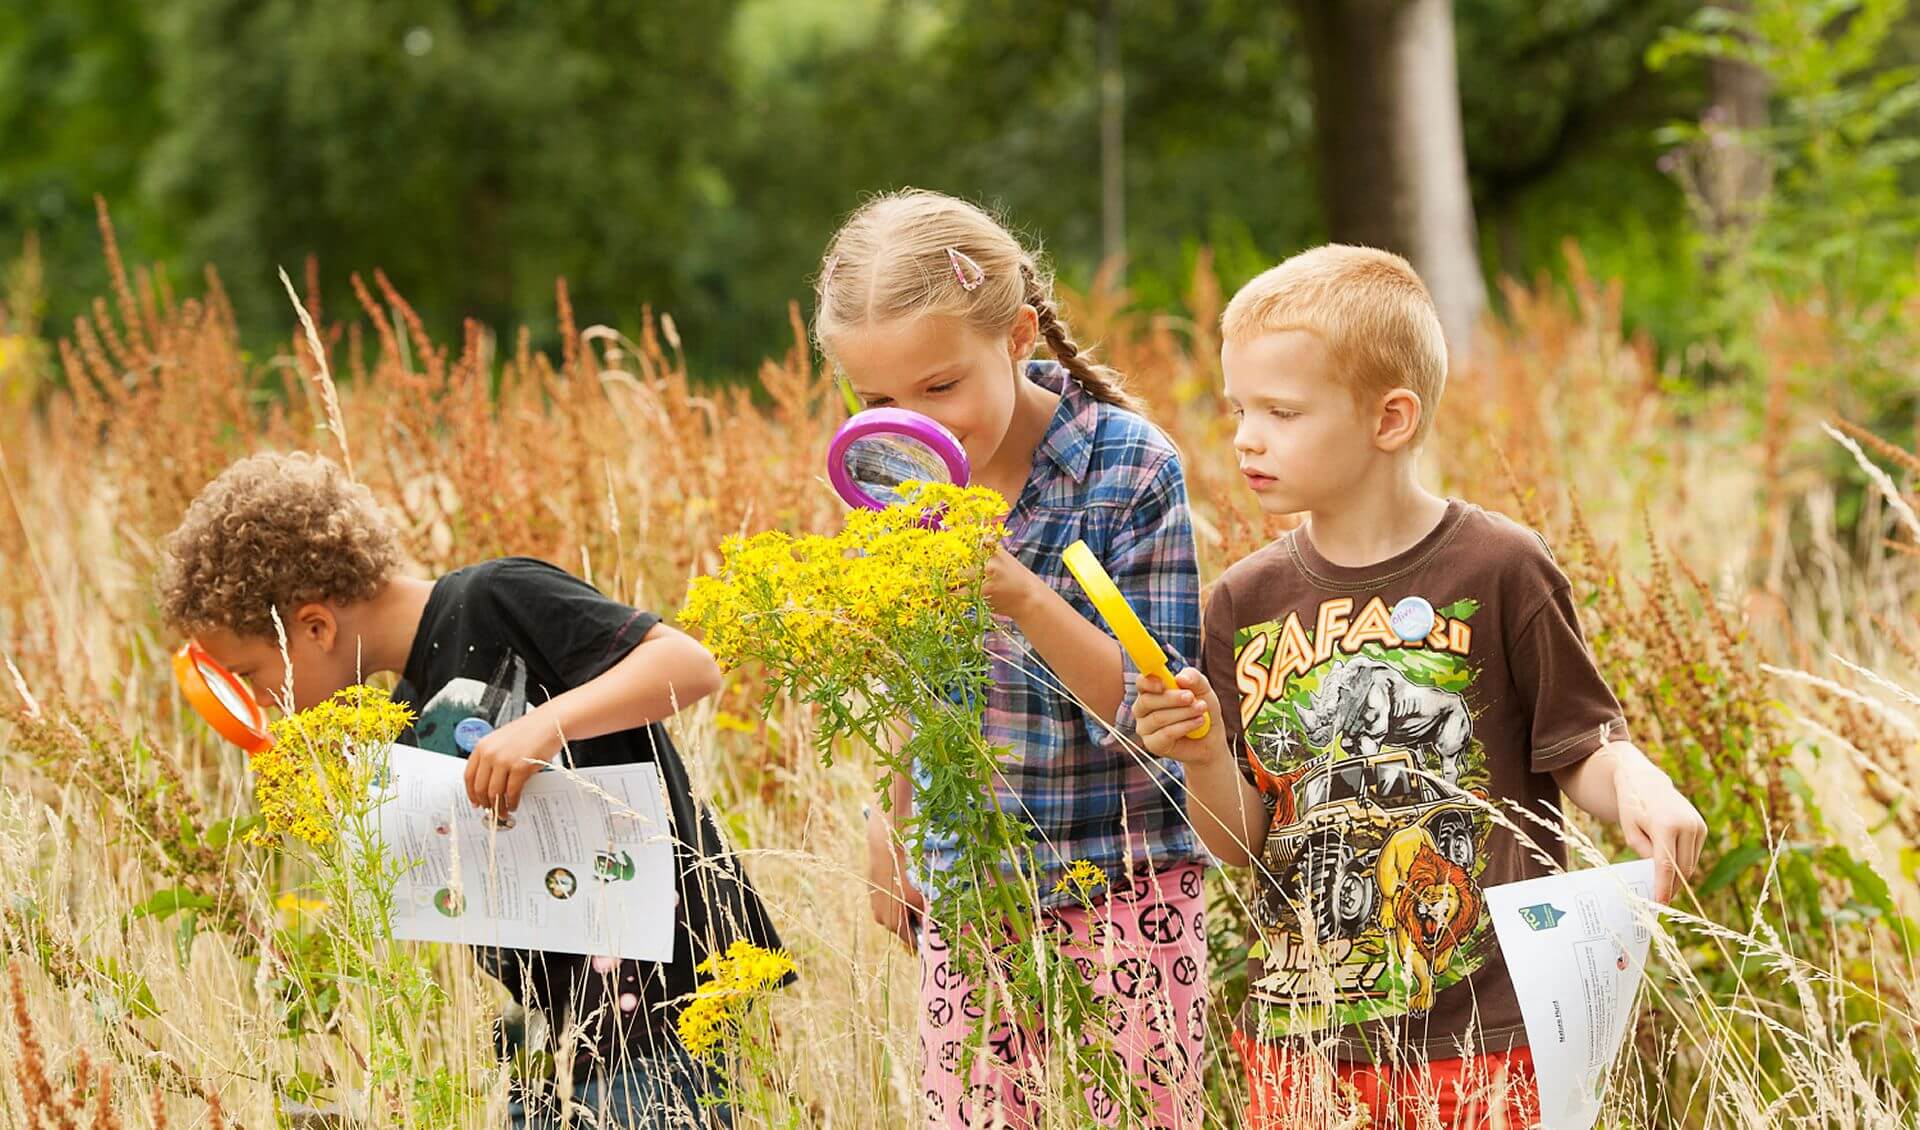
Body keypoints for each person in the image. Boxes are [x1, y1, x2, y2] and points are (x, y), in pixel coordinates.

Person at [1130, 245, 1708, 1129]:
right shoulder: (1242, 602)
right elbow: (1240, 845)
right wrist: (1204, 752)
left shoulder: (1500, 566)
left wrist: (1637, 778)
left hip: (1492, 1033)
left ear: (1390, 418)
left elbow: (1580, 746)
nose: (1246, 436)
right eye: (1239, 408)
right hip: (1305, 1044)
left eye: (1282, 412)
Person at [159, 451, 787, 1128]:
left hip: (665, 1019)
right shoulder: (403, 717)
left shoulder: (496, 597)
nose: (265, 704)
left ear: (316, 626)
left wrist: (546, 724)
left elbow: (688, 666)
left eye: (251, 675)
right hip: (554, 1043)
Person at [816, 189, 1210, 1128]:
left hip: (1126, 875)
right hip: (974, 887)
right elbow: (914, 672)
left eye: (941, 387)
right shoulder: (887, 481)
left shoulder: (1130, 469)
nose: (919, 428)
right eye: (876, 401)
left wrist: (1025, 598)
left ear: (1019, 335)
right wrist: (892, 815)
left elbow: (1155, 713)